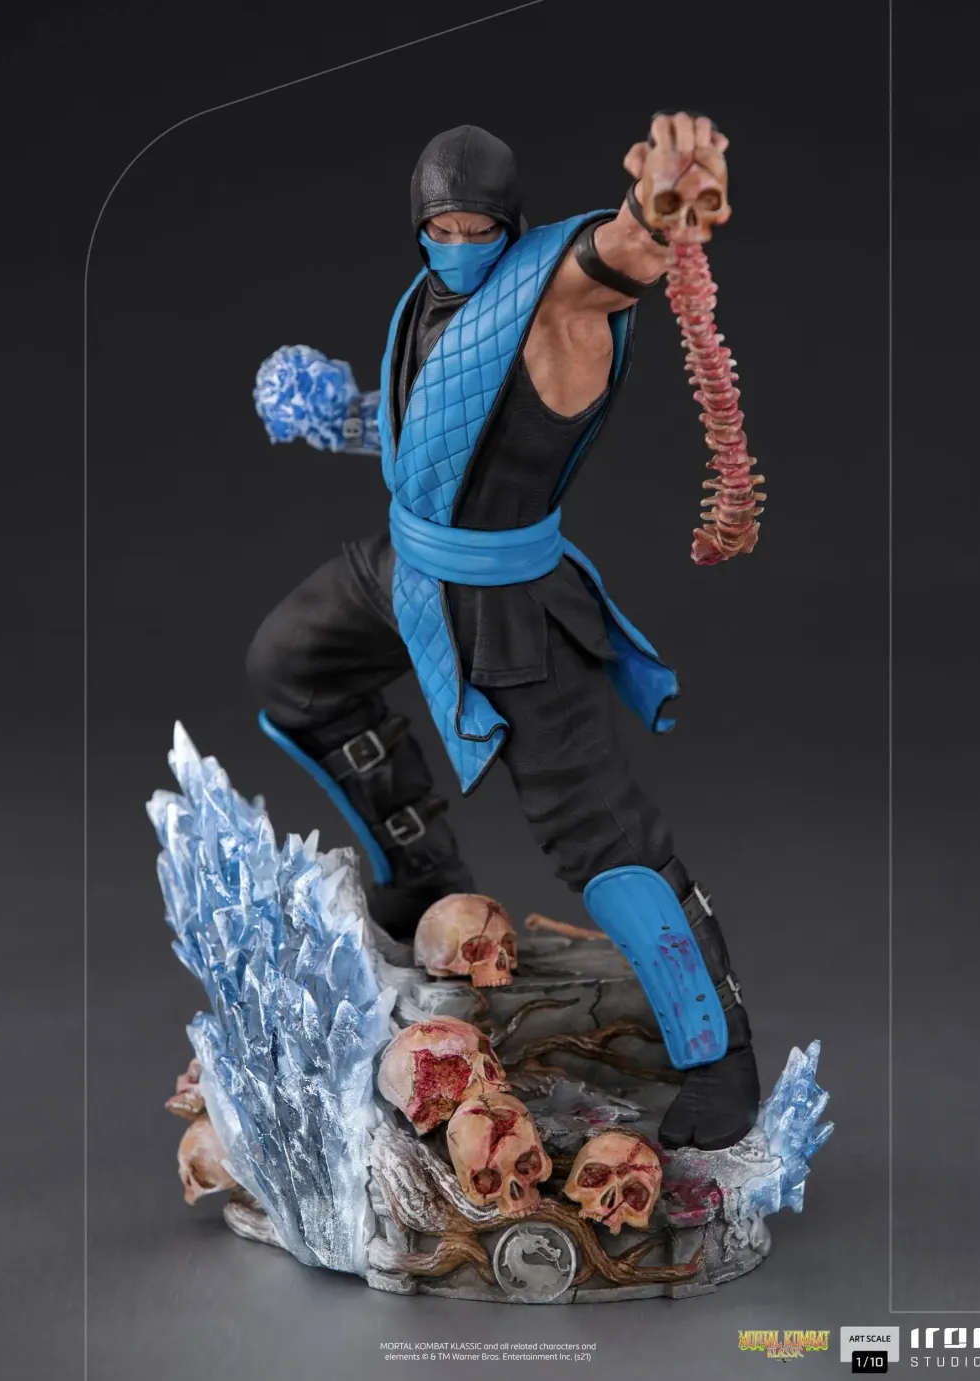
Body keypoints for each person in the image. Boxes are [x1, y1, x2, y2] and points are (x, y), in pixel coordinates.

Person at [247, 114, 760, 1150]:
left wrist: (660, 206)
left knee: (598, 836)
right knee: (294, 665)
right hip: (410, 565)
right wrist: (338, 415)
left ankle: (721, 1056)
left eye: (478, 227)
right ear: (419, 226)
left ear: (512, 225)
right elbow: (438, 429)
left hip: (509, 601)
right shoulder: (428, 300)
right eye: (441, 227)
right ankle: (420, 875)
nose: (460, 242)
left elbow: (619, 257)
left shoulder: (552, 298)